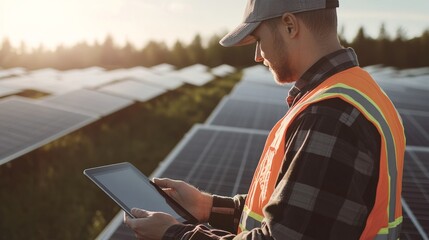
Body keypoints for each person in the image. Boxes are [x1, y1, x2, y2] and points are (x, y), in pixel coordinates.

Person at [125, 0, 406, 239]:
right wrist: (207, 206)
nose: (258, 56)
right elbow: (296, 215)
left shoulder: (330, 115)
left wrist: (174, 234)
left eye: (259, 39)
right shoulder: (357, 93)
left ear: (289, 26)